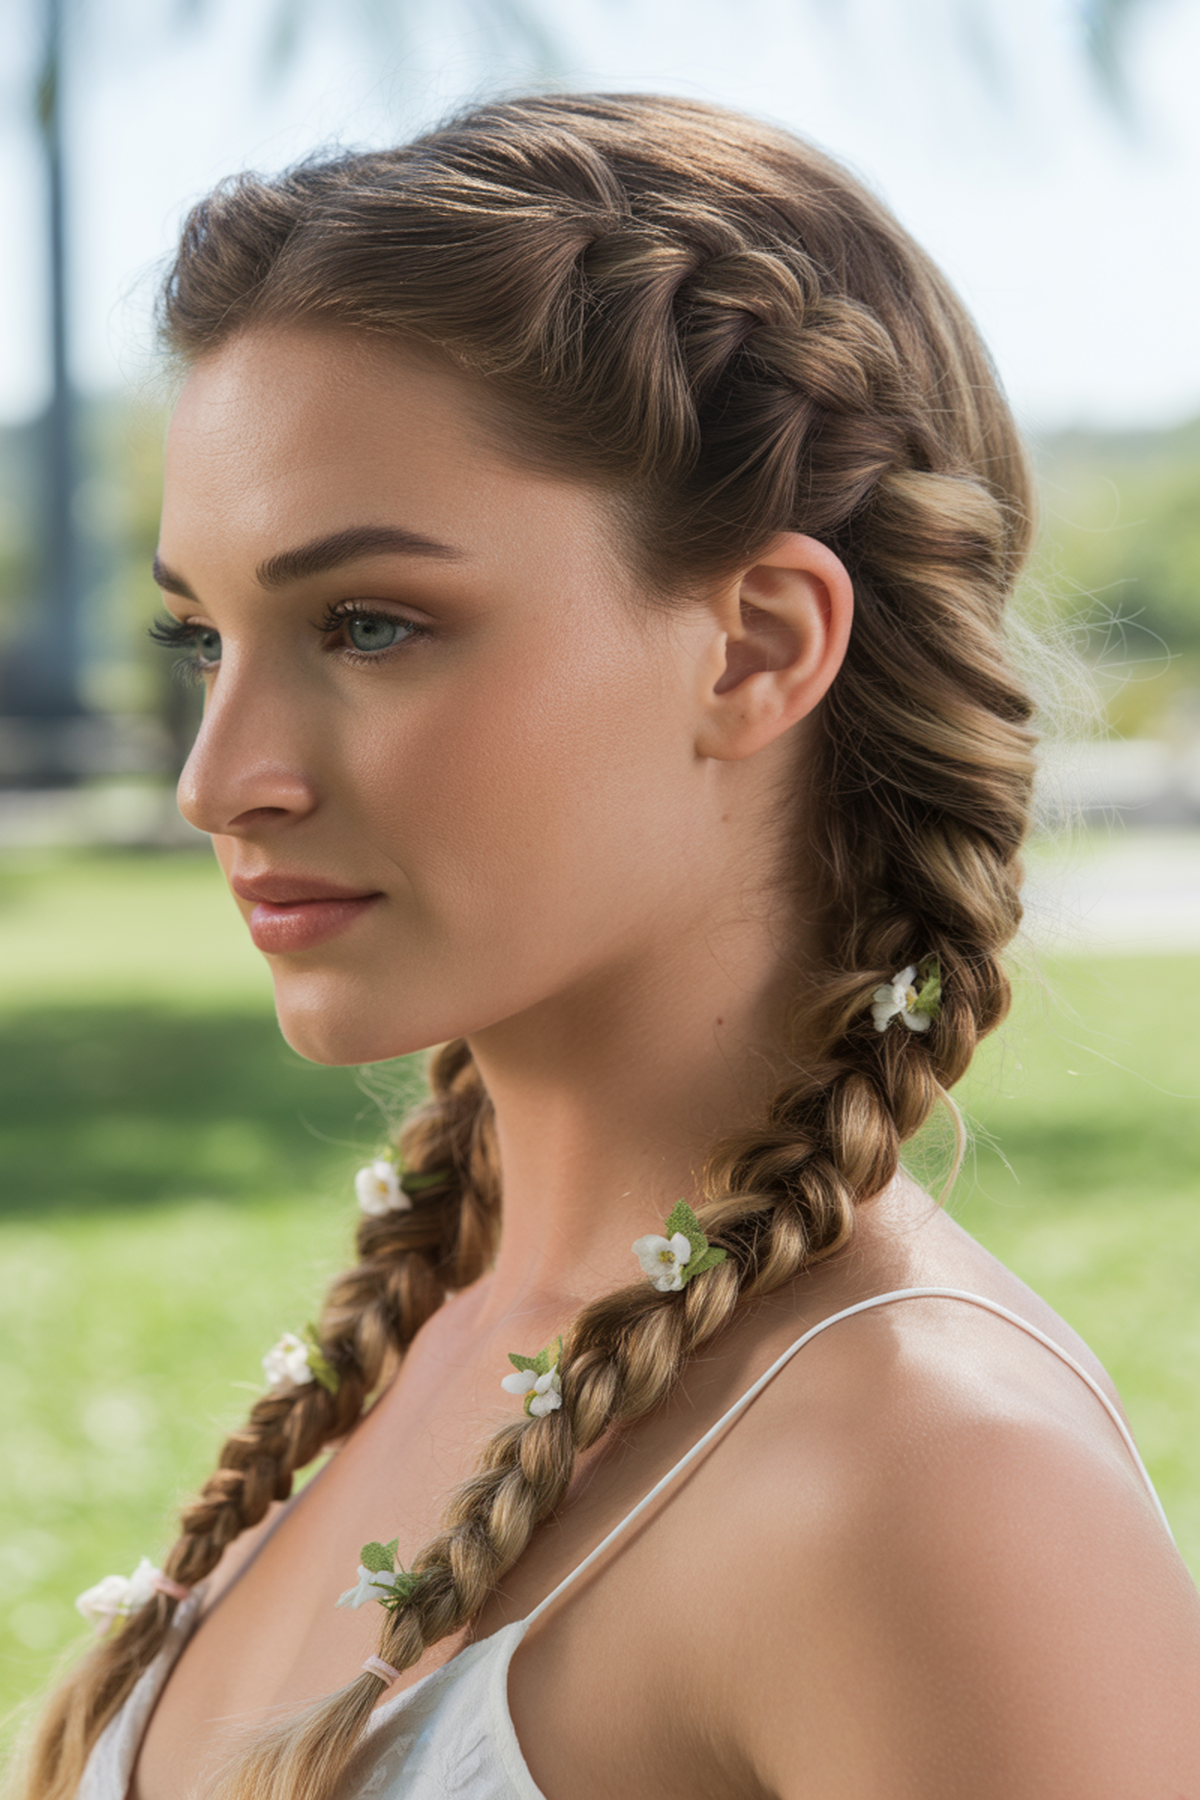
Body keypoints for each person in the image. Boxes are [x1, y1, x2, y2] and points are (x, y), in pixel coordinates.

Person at [21, 93, 1200, 1800]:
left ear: (757, 647)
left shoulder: (929, 1483)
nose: (222, 780)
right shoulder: (454, 1332)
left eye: (368, 624)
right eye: (202, 636)